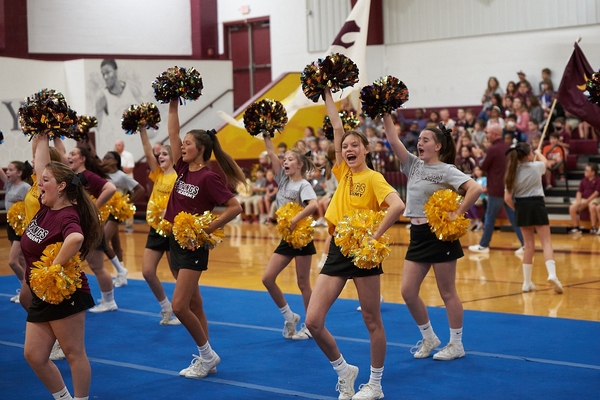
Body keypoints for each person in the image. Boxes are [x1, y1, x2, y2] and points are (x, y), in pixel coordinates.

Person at [305, 88, 405, 400]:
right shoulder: (342, 173)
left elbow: (397, 205)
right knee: (313, 321)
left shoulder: (374, 178)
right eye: (345, 146)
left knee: (371, 319)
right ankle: (344, 370)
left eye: (354, 145)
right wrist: (326, 93)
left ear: (365, 150)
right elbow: (336, 126)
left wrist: (374, 238)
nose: (348, 148)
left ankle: (375, 385)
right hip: (338, 248)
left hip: (364, 253)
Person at [384, 114, 482, 364]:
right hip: (417, 234)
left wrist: (458, 212)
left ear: (437, 146)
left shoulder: (447, 170)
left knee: (447, 292)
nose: (420, 143)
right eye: (418, 139)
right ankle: (429, 337)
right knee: (407, 291)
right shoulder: (414, 165)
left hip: (440, 235)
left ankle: (457, 344)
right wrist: (385, 112)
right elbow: (394, 141)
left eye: (425, 139)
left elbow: (475, 188)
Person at [165, 101, 245, 379]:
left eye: (188, 144)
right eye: (183, 144)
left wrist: (209, 228)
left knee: (178, 306)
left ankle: (208, 356)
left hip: (194, 245)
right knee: (194, 304)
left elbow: (235, 207)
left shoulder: (209, 177)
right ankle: (205, 356)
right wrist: (173, 102)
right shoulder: (183, 169)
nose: (182, 146)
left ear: (200, 148)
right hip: (175, 241)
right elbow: (172, 132)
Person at [21, 132, 102, 400]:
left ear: (62, 186)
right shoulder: (46, 205)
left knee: (73, 353)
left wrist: (53, 267)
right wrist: (42, 132)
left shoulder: (67, 214)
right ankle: (64, 398)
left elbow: (76, 238)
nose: (39, 184)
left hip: (65, 293)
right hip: (42, 293)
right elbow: (40, 163)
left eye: (45, 181)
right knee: (33, 354)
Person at [261, 134, 318, 341]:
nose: (285, 161)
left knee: (303, 283)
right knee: (267, 278)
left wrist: (295, 218)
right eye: (284, 159)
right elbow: (271, 153)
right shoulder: (282, 179)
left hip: (302, 237)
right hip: (287, 238)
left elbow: (313, 205)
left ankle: (312, 324)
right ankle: (290, 316)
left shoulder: (304, 185)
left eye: (290, 159)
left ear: (300, 164)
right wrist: (266, 134)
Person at [504, 143, 563, 294]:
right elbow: (547, 163)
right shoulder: (536, 166)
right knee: (546, 242)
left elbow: (507, 198)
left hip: (522, 206)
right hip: (537, 204)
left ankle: (526, 283)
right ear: (529, 155)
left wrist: (518, 210)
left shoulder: (511, 172)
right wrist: (539, 152)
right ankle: (552, 274)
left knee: (528, 246)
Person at [67, 146, 118, 313]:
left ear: (83, 159)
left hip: (91, 227)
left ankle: (109, 301)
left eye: (73, 154)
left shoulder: (88, 175)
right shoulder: (74, 176)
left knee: (97, 267)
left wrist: (94, 207)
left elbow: (110, 188)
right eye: (69, 154)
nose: (69, 156)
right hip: (80, 226)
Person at [138, 126, 180, 325]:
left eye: (165, 153)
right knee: (147, 271)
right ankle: (166, 306)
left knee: (177, 273)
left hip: (174, 230)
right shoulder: (158, 173)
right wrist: (141, 130)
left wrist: (172, 212)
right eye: (159, 154)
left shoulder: (178, 176)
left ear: (172, 156)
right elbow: (148, 151)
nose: (160, 156)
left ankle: (184, 308)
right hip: (156, 228)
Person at [469, 124, 525, 254]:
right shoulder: (506, 147)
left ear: (494, 134)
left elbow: (482, 167)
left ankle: (483, 245)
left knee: (489, 218)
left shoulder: (493, 149)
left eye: (487, 132)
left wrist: (478, 156)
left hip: (496, 190)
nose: (486, 135)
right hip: (508, 188)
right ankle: (525, 244)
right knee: (514, 218)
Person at [102, 151, 145, 287]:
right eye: (104, 157)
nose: (104, 159)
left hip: (115, 212)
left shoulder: (121, 176)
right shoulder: (103, 174)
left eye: (108, 157)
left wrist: (125, 204)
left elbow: (140, 189)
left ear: (115, 161)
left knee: (102, 242)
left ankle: (121, 270)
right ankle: (121, 276)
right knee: (116, 244)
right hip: (104, 211)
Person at [1, 160, 33, 303]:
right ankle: (28, 291)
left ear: (19, 173)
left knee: (13, 261)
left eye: (11, 169)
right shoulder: (9, 185)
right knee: (21, 260)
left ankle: (26, 290)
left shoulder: (26, 187)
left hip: (22, 227)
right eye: (7, 170)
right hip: (11, 225)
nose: (7, 172)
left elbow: (32, 206)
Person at [568, 162, 600, 234]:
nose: (585, 172)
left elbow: (596, 193)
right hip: (584, 198)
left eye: (587, 170)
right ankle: (576, 227)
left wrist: (587, 201)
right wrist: (579, 201)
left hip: (594, 198)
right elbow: (579, 192)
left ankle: (593, 227)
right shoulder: (583, 180)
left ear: (593, 172)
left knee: (592, 206)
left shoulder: (598, 180)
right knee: (572, 207)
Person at [113, 139, 136, 233]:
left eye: (119, 145)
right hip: (117, 184)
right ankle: (114, 224)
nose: (117, 147)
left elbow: (130, 169)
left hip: (127, 184)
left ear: (123, 146)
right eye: (116, 145)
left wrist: (118, 169)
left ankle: (129, 225)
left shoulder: (128, 155)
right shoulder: (114, 156)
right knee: (115, 203)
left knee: (128, 204)